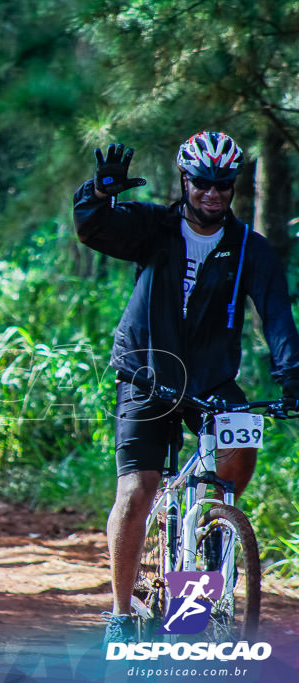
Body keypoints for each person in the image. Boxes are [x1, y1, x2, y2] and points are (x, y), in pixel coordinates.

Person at [72, 132, 299, 646]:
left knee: (241, 445)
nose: (213, 194)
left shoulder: (251, 249)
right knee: (136, 490)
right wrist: (100, 194)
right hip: (146, 371)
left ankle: (216, 524)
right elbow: (95, 229)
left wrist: (292, 380)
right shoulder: (154, 226)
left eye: (223, 185)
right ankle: (121, 616)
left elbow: (279, 318)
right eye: (202, 184)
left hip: (213, 379)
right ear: (185, 181)